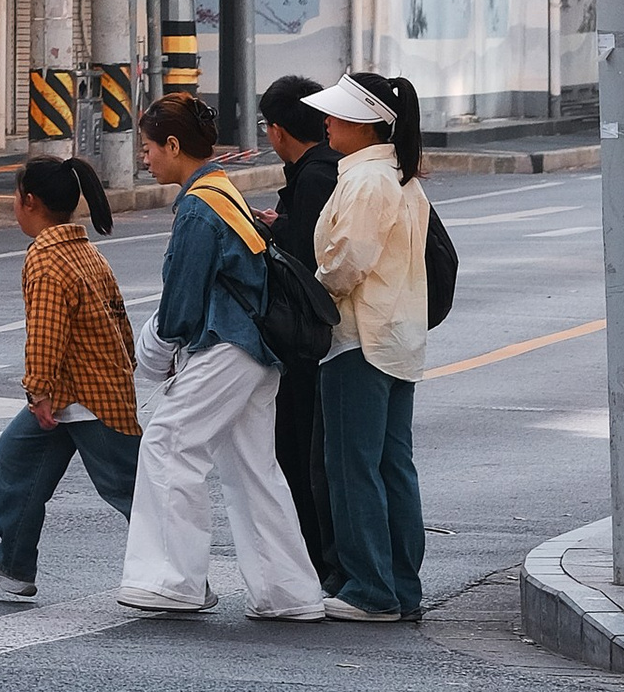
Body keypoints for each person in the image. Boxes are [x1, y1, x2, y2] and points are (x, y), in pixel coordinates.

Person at [116, 90, 325, 623]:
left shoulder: (199, 206)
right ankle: (288, 592)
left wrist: (155, 356)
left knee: (168, 443)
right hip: (259, 347)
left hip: (227, 342)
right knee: (253, 469)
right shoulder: (221, 190)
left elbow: (182, 298)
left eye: (147, 148)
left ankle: (172, 580)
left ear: (171, 144)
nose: (145, 158)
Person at [0, 153, 141, 601]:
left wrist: (38, 391)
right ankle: (13, 564)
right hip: (85, 392)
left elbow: (45, 332)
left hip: (84, 397)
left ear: (29, 200)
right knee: (16, 459)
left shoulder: (46, 258)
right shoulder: (84, 251)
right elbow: (121, 322)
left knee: (132, 492)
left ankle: (183, 574)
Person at [307, 68, 431, 625]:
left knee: (352, 466)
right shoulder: (401, 177)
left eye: (337, 115)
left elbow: (344, 264)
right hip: (397, 338)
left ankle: (370, 590)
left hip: (357, 338)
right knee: (391, 465)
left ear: (365, 124)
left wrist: (311, 285)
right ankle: (401, 586)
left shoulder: (364, 182)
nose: (327, 122)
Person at [258, 72, 341, 585]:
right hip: (322, 342)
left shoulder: (316, 177)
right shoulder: (321, 172)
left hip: (309, 344)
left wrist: (276, 232)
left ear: (278, 130)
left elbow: (311, 260)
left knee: (301, 454)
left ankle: (317, 563)